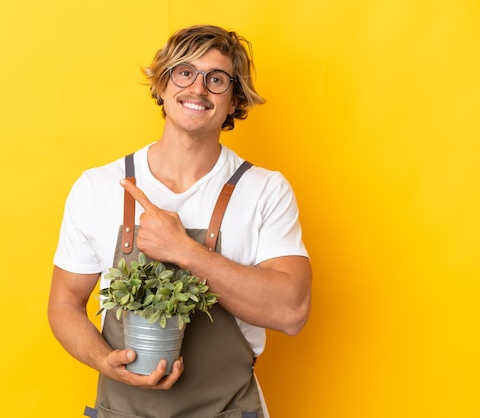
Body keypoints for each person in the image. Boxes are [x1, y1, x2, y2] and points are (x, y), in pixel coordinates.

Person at [48, 24, 312, 418]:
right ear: (161, 84)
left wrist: (184, 251)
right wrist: (105, 361)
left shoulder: (264, 191)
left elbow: (292, 312)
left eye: (217, 79)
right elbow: (65, 303)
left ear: (235, 99)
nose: (198, 89)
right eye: (184, 72)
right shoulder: (97, 187)